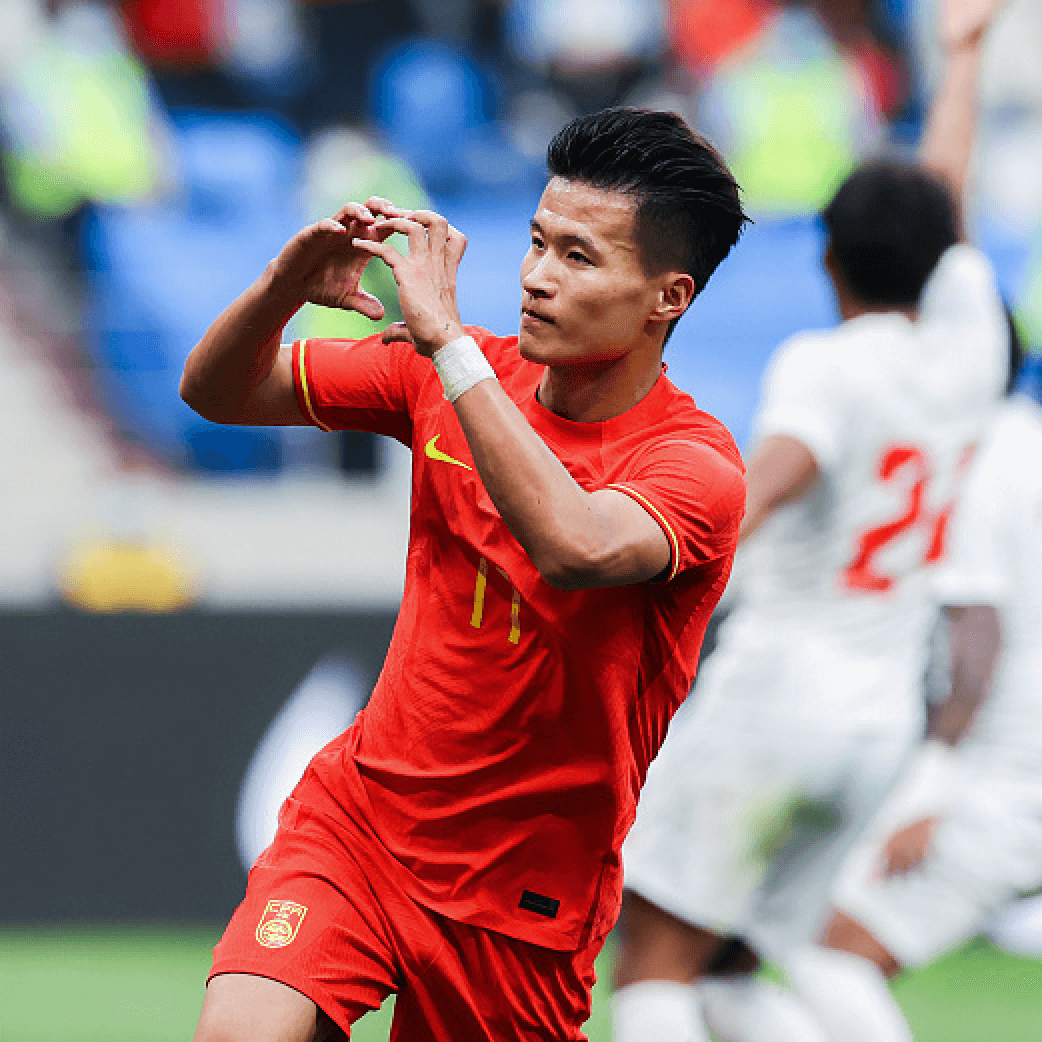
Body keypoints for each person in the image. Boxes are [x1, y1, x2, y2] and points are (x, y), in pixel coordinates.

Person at [179, 107, 748, 1042]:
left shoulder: (693, 466)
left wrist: (447, 347)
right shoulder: (453, 373)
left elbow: (577, 546)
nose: (536, 276)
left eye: (578, 257)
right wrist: (284, 285)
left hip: (521, 901)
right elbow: (217, 391)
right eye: (537, 241)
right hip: (359, 828)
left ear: (667, 297)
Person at [613, 3, 1010, 1041]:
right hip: (878, 722)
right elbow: (946, 207)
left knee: (653, 959)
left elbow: (748, 499)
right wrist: (963, 58)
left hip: (777, 696)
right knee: (734, 967)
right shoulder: (970, 355)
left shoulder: (824, 368)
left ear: (827, 259)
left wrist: (631, 559)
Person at [780, 381, 1042, 1042]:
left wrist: (931, 790)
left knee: (826, 954)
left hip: (999, 777)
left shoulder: (987, 453)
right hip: (1006, 769)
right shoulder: (1019, 446)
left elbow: (977, 632)